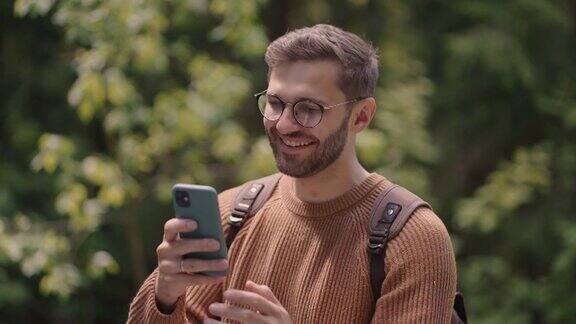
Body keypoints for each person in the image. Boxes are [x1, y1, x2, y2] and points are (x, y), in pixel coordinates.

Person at [127, 24, 457, 323]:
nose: (284, 124)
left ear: (361, 117)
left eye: (309, 109)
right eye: (275, 103)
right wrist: (165, 297)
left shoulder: (412, 239)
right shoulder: (233, 214)